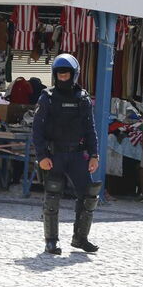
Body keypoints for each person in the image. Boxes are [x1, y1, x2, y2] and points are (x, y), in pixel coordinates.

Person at [32, 53, 101, 255]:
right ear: (55, 75)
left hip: (78, 155)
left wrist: (95, 154)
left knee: (89, 195)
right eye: (60, 75)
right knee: (52, 197)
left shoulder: (83, 98)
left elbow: (90, 128)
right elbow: (37, 130)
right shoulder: (47, 97)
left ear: (74, 75)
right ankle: (51, 241)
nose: (63, 78)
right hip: (55, 155)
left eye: (66, 74)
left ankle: (80, 238)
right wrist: (42, 155)